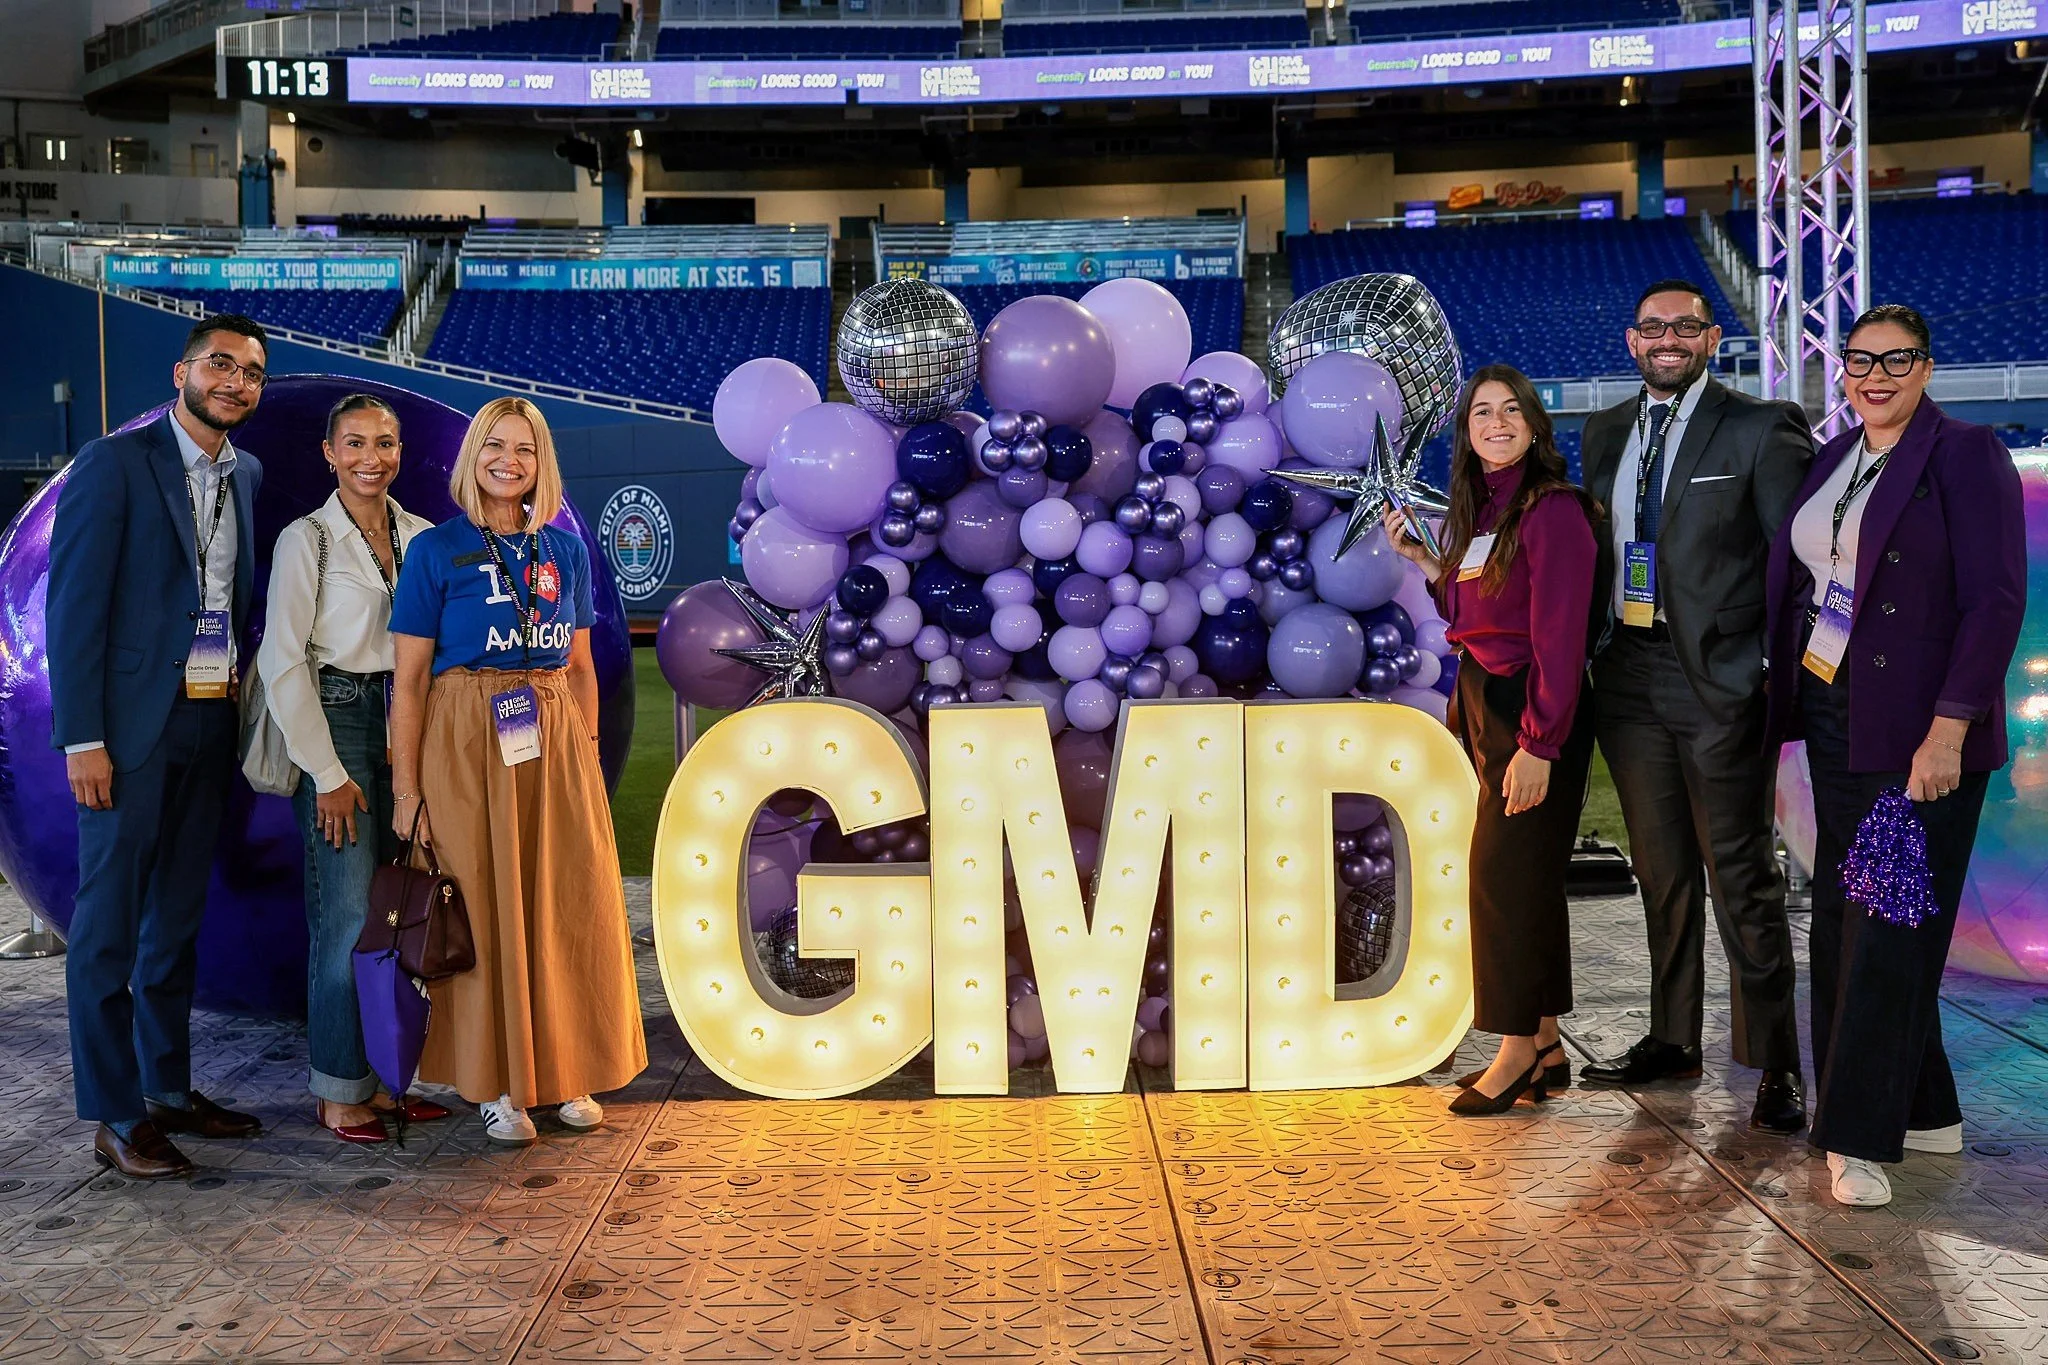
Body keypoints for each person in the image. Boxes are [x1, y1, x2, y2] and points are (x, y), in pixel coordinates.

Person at [1763, 305, 2026, 1206]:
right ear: (1841, 369)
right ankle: (1927, 1108)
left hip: (1918, 732)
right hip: (1839, 715)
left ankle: (1855, 1135)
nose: (1875, 375)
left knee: (1881, 926)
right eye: (1860, 360)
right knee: (1855, 912)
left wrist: (1948, 730)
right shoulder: (1836, 457)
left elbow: (1994, 602)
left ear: (1926, 366)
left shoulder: (1964, 453)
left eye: (1897, 360)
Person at [1577, 280, 1815, 1136]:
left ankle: (1777, 1060)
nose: (1667, 339)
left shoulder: (1761, 426)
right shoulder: (1603, 431)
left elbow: (1800, 563)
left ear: (1713, 337)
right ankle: (1674, 1038)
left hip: (1716, 679)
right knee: (1661, 872)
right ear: (1631, 339)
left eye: (1684, 327)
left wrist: (1765, 669)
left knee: (1739, 875)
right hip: (1629, 678)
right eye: (1652, 328)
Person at [386, 395, 646, 1145]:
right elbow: (406, 681)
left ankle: (568, 1067)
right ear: (475, 457)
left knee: (566, 901)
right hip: (465, 733)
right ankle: (500, 1081)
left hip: (553, 731)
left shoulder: (563, 552)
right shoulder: (437, 551)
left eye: (525, 448)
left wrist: (587, 752)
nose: (510, 460)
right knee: (486, 905)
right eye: (495, 445)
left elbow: (582, 663)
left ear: (542, 463)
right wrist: (407, 791)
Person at [47, 315, 271, 1179]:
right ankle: (113, 1113)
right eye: (220, 364)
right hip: (128, 732)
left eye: (250, 372)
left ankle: (168, 1089)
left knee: (176, 920)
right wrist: (85, 739)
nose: (235, 381)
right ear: (183, 371)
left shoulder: (244, 473)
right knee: (105, 931)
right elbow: (75, 613)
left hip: (209, 718)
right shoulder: (114, 463)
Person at [1385, 365, 1598, 1116]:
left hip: (1531, 711)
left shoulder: (1554, 511)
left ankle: (1510, 1050)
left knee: (1501, 882)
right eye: (1482, 412)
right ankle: (1543, 1041)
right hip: (1484, 698)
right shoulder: (1485, 515)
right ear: (1467, 432)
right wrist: (1422, 561)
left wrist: (1539, 742)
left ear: (1536, 425)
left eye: (1511, 410)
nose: (1497, 422)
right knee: (1528, 881)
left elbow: (1560, 636)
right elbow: (1479, 606)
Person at [258, 394, 452, 1144]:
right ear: (329, 453)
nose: (373, 457)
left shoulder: (424, 536)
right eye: (355, 444)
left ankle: (394, 1077)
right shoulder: (306, 540)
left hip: (409, 720)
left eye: (386, 443)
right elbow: (282, 663)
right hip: (335, 720)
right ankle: (342, 1090)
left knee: (407, 913)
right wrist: (327, 773)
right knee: (345, 914)